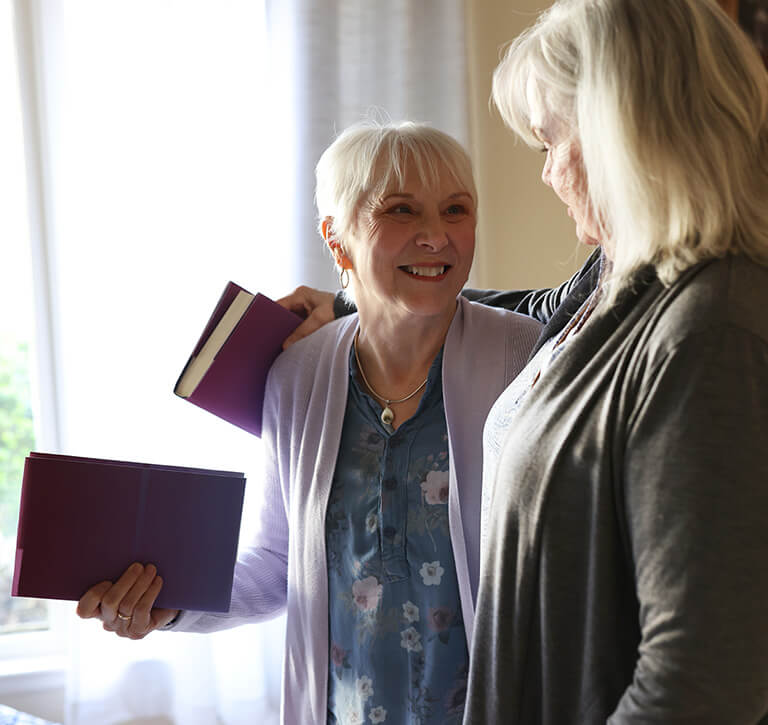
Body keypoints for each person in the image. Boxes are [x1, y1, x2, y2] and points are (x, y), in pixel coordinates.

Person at [280, 1, 768, 722]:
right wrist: (358, 302)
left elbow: (700, 678)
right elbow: (497, 302)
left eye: (549, 141)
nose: (544, 174)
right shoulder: (618, 288)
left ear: (620, 134)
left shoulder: (711, 331)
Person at [76, 121, 542, 724]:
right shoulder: (296, 376)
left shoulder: (523, 355)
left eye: (456, 210)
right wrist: (169, 603)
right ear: (336, 239)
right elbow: (276, 567)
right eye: (401, 211)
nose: (436, 236)